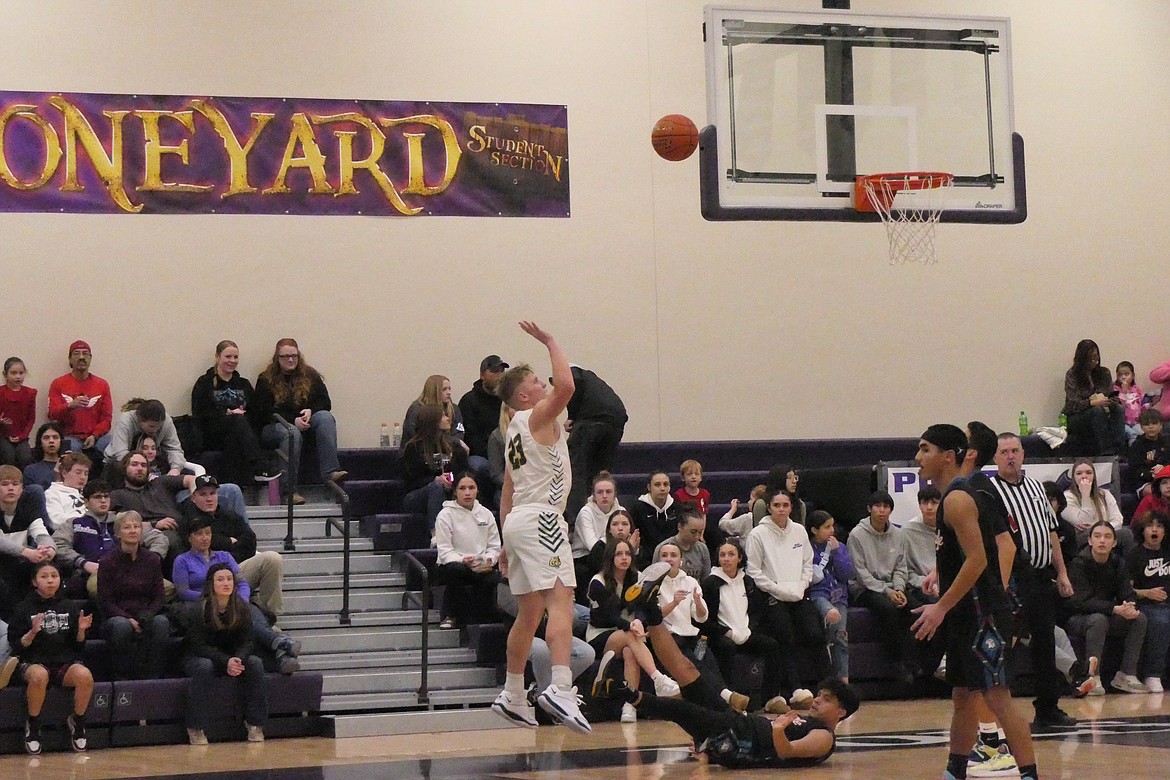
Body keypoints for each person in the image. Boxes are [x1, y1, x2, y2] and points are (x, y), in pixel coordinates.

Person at [592, 595, 860, 770]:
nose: (817, 699)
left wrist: (778, 729)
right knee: (687, 671)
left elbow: (787, 752)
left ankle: (621, 692)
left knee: (684, 709)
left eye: (826, 700)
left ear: (840, 712)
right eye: (820, 694)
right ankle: (651, 610)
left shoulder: (825, 739)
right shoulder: (809, 722)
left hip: (738, 741)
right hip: (736, 724)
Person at [910, 424, 1037, 780]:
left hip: (984, 615)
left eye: (925, 450)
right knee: (963, 697)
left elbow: (979, 560)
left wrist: (940, 607)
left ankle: (1029, 774)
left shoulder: (959, 499)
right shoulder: (952, 496)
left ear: (948, 456)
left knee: (998, 699)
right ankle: (955, 771)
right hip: (967, 613)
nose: (918, 458)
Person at [489, 321, 590, 734]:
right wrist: (551, 340)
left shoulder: (513, 429)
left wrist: (504, 544)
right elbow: (567, 386)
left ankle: (514, 694)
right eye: (535, 380)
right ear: (524, 396)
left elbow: (507, 493)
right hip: (543, 519)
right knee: (561, 600)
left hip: (517, 523)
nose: (543, 383)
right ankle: (561, 687)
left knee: (529, 612)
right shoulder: (536, 414)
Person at [986, 433, 1079, 730]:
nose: (1011, 456)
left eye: (1015, 450)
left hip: (1040, 577)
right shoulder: (990, 491)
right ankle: (999, 713)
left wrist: (1062, 573)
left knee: (1045, 642)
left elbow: (1052, 533)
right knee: (1006, 644)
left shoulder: (1037, 489)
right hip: (1011, 579)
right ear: (995, 457)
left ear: (1023, 454)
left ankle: (1048, 709)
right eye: (1004, 452)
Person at [172, 514, 301, 673]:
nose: (204, 538)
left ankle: (281, 652)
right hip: (201, 606)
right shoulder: (182, 560)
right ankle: (279, 644)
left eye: (207, 533)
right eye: (198, 534)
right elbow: (183, 591)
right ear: (189, 538)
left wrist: (240, 599)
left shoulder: (224, 556)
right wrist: (213, 598)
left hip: (229, 602)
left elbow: (241, 582)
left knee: (244, 608)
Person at [585, 538, 678, 723]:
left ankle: (629, 707)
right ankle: (658, 679)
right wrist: (631, 625)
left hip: (630, 635)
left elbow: (647, 607)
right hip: (601, 635)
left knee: (629, 651)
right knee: (628, 636)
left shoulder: (638, 578)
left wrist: (638, 621)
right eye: (619, 554)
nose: (624, 558)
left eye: (627, 553)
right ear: (610, 557)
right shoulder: (598, 582)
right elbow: (607, 616)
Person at [7, 561, 94, 754]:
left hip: (63, 662)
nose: (50, 581)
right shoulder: (24, 608)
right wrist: (32, 633)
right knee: (39, 676)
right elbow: (17, 646)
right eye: (44, 577)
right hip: (32, 661)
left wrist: (80, 631)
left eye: (54, 576)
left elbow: (78, 646)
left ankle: (78, 722)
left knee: (85, 676)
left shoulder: (69, 606)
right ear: (34, 582)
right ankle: (34, 724)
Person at [747, 487, 826, 689]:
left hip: (798, 593)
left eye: (785, 505)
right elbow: (754, 571)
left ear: (791, 508)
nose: (781, 509)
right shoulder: (758, 534)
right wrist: (778, 590)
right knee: (785, 636)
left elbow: (807, 564)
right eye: (776, 505)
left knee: (815, 633)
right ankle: (795, 689)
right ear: (769, 508)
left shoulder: (799, 531)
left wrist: (801, 586)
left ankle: (829, 687)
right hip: (771, 596)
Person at [182, 563, 269, 745]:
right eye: (220, 579)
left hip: (231, 658)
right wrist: (225, 661)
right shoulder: (197, 609)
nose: (226, 583)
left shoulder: (242, 608)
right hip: (199, 657)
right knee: (204, 666)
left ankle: (255, 724)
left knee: (255, 663)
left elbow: (248, 641)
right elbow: (198, 646)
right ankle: (195, 727)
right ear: (211, 584)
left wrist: (238, 659)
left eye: (229, 579)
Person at [252, 338, 346, 505]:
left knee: (325, 417)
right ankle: (288, 492)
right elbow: (262, 412)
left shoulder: (310, 375)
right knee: (291, 432)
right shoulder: (265, 379)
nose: (290, 360)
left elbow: (325, 402)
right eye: (286, 356)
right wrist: (292, 420)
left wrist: (311, 410)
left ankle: (330, 473)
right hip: (274, 427)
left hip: (305, 422)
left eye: (294, 356)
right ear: (277, 358)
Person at [656, 541, 747, 712]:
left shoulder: (690, 582)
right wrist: (674, 603)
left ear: (681, 560)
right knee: (694, 662)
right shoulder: (654, 583)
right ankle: (727, 697)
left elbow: (701, 616)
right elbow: (653, 616)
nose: (669, 559)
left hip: (690, 634)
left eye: (673, 555)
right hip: (668, 637)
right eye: (665, 555)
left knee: (708, 659)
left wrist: (698, 603)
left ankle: (724, 701)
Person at [180, 475, 285, 618]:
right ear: (193, 498)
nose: (209, 498)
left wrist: (231, 557)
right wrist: (229, 542)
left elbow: (250, 540)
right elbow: (202, 544)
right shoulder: (189, 519)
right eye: (203, 494)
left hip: (235, 568)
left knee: (273, 559)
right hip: (205, 578)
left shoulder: (229, 515)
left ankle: (270, 617)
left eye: (212, 493)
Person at [1064, 520, 1149, 694]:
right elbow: (1080, 602)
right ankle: (1092, 677)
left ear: (1114, 542)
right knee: (1098, 620)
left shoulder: (1118, 563)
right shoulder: (1078, 563)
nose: (1102, 540)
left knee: (1139, 618)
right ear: (1090, 541)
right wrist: (1114, 609)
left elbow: (1128, 592)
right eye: (1097, 536)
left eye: (1107, 537)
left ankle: (1126, 675)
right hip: (1077, 618)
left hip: (1108, 613)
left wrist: (1129, 606)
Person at [846, 490, 918, 683]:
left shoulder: (898, 534)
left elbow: (901, 567)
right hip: (864, 589)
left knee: (914, 607)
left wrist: (899, 589)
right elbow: (861, 574)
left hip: (893, 586)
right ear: (869, 509)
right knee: (888, 610)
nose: (882, 511)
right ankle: (896, 664)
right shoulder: (857, 535)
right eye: (877, 506)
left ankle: (917, 663)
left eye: (886, 507)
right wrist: (887, 592)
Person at [53, 479, 167, 599]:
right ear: (86, 502)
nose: (103, 500)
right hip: (95, 573)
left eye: (106, 496)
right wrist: (82, 562)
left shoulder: (124, 521)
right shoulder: (75, 523)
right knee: (97, 587)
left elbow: (158, 538)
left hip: (131, 571)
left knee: (168, 588)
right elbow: (58, 544)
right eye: (97, 497)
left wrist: (151, 560)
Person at [191, 340, 281, 485]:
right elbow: (200, 414)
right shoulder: (204, 383)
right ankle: (259, 466)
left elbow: (255, 413)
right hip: (213, 433)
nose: (232, 361)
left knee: (237, 432)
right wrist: (227, 414)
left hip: (238, 434)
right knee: (237, 421)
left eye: (235, 357)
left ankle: (236, 488)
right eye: (228, 357)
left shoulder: (244, 384)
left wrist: (242, 415)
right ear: (217, 357)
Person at [703, 539, 783, 701]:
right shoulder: (710, 583)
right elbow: (705, 620)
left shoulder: (747, 581)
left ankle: (771, 697)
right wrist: (727, 632)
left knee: (771, 645)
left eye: (731, 555)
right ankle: (729, 697)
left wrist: (748, 630)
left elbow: (755, 611)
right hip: (722, 634)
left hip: (745, 632)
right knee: (726, 648)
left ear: (739, 558)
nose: (726, 559)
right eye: (723, 555)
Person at [97, 510, 171, 680]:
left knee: (161, 622)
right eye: (127, 527)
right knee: (122, 626)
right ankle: (122, 678)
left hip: (146, 614)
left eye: (136, 526)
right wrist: (128, 618)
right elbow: (105, 601)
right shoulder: (108, 561)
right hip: (116, 616)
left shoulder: (152, 559)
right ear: (118, 533)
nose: (132, 530)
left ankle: (154, 677)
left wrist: (148, 614)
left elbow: (159, 596)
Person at [404, 374, 492, 498]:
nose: (449, 393)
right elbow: (419, 436)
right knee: (438, 488)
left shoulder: (454, 409)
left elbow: (459, 433)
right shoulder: (416, 411)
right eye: (444, 389)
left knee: (473, 470)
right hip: (425, 480)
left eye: (450, 389)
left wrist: (453, 442)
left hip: (447, 455)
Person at [561, 364, 627, 523]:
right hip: (615, 423)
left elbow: (573, 381)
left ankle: (576, 522)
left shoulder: (571, 371)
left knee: (576, 472)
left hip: (592, 421)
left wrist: (572, 415)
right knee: (601, 474)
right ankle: (605, 518)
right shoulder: (595, 382)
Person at [434, 473, 501, 630]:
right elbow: (444, 551)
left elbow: (494, 546)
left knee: (494, 577)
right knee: (454, 570)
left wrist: (489, 560)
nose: (467, 492)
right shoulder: (445, 515)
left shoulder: (486, 514)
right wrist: (464, 561)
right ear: (455, 491)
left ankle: (480, 618)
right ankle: (452, 615)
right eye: (462, 488)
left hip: (480, 564)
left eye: (471, 488)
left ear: (477, 490)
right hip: (454, 564)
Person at [400, 405, 469, 541]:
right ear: (433, 421)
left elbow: (463, 472)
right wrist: (435, 480)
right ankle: (436, 535)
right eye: (443, 416)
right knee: (436, 488)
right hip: (417, 495)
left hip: (448, 490)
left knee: (467, 488)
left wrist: (453, 483)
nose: (448, 419)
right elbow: (411, 482)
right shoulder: (413, 447)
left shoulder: (454, 446)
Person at [806, 510, 853, 683]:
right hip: (818, 594)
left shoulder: (839, 547)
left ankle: (843, 680)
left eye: (832, 526)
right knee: (822, 604)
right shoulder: (807, 548)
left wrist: (838, 553)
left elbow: (846, 574)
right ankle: (828, 612)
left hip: (838, 596)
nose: (832, 530)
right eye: (827, 527)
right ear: (814, 530)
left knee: (841, 636)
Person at [1126, 511, 1170, 693]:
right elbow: (1127, 590)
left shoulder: (1168, 552)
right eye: (1150, 526)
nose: (1155, 530)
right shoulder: (1135, 555)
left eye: (1159, 526)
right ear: (1142, 530)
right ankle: (1153, 674)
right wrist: (1147, 593)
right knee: (1161, 622)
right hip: (1146, 604)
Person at [47, 340, 113, 461]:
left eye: (85, 354)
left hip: (96, 436)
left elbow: (107, 418)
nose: (81, 357)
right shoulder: (58, 383)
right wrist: (70, 405)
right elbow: (52, 414)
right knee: (70, 449)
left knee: (113, 446)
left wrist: (95, 435)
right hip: (69, 436)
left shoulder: (102, 384)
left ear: (90, 358)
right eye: (77, 353)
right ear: (70, 359)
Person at [1061, 338, 1125, 456]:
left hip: (1102, 409)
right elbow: (1072, 404)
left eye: (1096, 357)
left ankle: (1120, 452)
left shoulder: (1104, 373)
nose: (1094, 361)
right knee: (1097, 411)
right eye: (1091, 357)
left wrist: (1110, 401)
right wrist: (1092, 403)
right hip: (1078, 416)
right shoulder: (1072, 375)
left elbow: (1112, 394)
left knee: (1119, 409)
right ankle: (1106, 452)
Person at [1062, 457, 1133, 554]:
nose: (1084, 476)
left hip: (1107, 533)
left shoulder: (1104, 494)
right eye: (1079, 473)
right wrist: (1085, 495)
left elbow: (1118, 519)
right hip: (1083, 538)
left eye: (1088, 473)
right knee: (1088, 533)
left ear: (1094, 476)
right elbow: (1083, 522)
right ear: (1073, 477)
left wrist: (1104, 531)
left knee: (1126, 534)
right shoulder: (1067, 497)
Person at [571, 471, 622, 600]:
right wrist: (612, 534)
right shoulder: (586, 512)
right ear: (593, 495)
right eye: (600, 492)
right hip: (586, 559)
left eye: (609, 492)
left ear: (615, 494)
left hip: (613, 555)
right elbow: (594, 548)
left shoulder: (621, 512)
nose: (604, 496)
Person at [104, 399, 187, 479]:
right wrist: (146, 474)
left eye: (159, 426)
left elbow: (174, 449)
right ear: (140, 420)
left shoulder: (167, 421)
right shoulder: (125, 421)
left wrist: (176, 469)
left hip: (151, 466)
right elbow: (121, 454)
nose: (156, 430)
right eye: (152, 426)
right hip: (118, 466)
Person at [458, 355, 509, 460]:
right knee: (477, 465)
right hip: (482, 455)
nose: (500, 376)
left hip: (508, 452)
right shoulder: (468, 401)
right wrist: (494, 455)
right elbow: (470, 438)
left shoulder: (508, 399)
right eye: (495, 371)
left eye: (502, 371)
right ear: (482, 375)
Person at [629, 469, 678, 566]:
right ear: (649, 487)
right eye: (657, 485)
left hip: (671, 559)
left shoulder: (676, 507)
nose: (662, 488)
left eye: (665, 484)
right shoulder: (637, 509)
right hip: (645, 561)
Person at [0, 357, 36, 468]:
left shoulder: (30, 393)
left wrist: (22, 436)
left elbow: (31, 418)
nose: (18, 376)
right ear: (5, 375)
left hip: (21, 437)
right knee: (8, 456)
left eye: (21, 373)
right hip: (3, 436)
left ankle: (22, 483)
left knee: (26, 456)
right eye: (13, 373)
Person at [1126, 407, 1170, 498]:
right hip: (1144, 481)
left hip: (1167, 477)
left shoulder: (1167, 442)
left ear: (1161, 425)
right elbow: (1134, 470)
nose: (1150, 427)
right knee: (1152, 491)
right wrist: (1152, 474)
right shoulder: (1136, 445)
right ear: (1141, 427)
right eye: (1146, 424)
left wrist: (1164, 469)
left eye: (1154, 423)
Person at [45, 451, 90, 532]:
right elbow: (55, 520)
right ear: (64, 473)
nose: (83, 477)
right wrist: (82, 522)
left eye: (86, 474)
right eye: (78, 472)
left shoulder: (88, 495)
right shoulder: (52, 493)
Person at [588, 508, 641, 574]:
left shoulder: (636, 546)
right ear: (609, 529)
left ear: (630, 527)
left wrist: (633, 551)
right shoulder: (600, 547)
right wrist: (630, 550)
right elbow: (605, 571)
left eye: (624, 524)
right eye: (615, 524)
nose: (620, 528)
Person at [23, 422, 66, 490]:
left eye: (55, 437)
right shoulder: (31, 470)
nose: (51, 441)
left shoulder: (70, 467)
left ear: (61, 441)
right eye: (46, 438)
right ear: (40, 442)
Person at [1115, 360, 1145, 445]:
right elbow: (1118, 406)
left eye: (1126, 374)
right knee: (1133, 435)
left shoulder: (1137, 390)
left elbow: (1143, 406)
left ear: (1133, 376)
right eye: (1120, 375)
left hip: (1136, 422)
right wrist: (1124, 392)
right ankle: (1132, 456)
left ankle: (1147, 456)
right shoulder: (1115, 390)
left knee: (1143, 434)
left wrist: (1151, 401)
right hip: (1122, 424)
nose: (1123, 377)